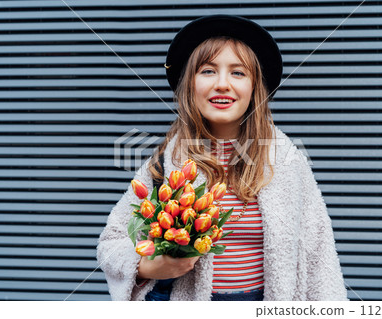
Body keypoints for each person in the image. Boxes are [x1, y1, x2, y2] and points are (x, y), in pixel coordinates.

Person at [97, 14, 348, 301]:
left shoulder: (289, 162)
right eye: (208, 71)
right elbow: (112, 243)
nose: (222, 84)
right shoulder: (164, 165)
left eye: (238, 73)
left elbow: (320, 259)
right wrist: (145, 266)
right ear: (190, 84)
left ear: (255, 87)